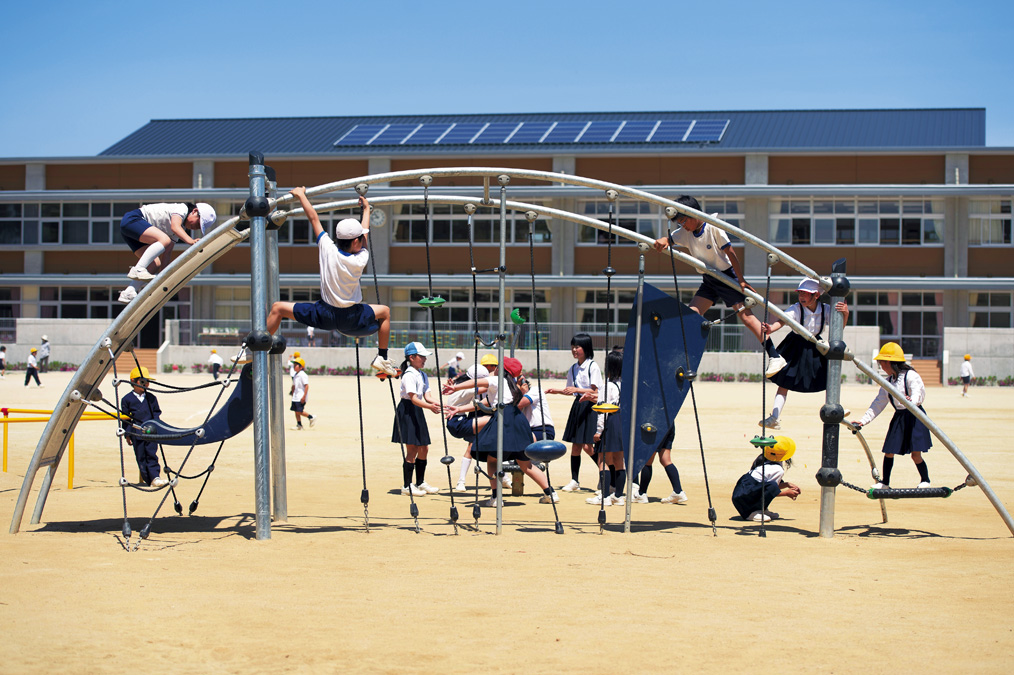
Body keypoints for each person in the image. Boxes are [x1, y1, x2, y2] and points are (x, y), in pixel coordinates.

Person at [266, 187, 395, 376]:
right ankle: (382, 357)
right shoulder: (360, 259)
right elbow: (365, 235)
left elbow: (314, 219)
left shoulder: (327, 248)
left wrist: (301, 195)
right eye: (360, 239)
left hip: (324, 314)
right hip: (352, 316)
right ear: (355, 242)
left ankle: (256, 348)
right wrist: (366, 210)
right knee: (384, 312)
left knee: (278, 308)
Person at [653, 195, 785, 378]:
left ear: (694, 214)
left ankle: (775, 356)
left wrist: (741, 280)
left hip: (726, 276)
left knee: (747, 319)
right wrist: (662, 240)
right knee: (691, 314)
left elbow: (730, 252)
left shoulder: (712, 226)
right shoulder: (685, 232)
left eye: (684, 221)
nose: (683, 226)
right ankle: (680, 356)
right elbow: (669, 239)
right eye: (680, 223)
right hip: (709, 279)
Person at [445, 357, 559, 507]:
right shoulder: (513, 386)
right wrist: (460, 409)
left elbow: (476, 383)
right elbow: (485, 403)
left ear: (502, 370)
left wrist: (455, 388)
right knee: (525, 463)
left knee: (492, 459)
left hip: (504, 419)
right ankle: (550, 492)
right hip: (519, 422)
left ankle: (496, 497)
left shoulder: (496, 381)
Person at [759, 278, 850, 429]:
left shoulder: (826, 309)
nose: (801, 296)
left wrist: (845, 314)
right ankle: (775, 417)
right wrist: (770, 329)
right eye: (800, 292)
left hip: (816, 345)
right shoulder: (795, 309)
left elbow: (839, 327)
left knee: (829, 377)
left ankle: (836, 407)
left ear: (816, 296)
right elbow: (782, 321)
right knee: (784, 381)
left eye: (806, 293)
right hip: (795, 344)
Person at [851, 342, 932, 489]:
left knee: (916, 454)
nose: (881, 366)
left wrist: (912, 402)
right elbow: (878, 403)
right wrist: (863, 421)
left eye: (881, 363)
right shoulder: (888, 382)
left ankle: (925, 480)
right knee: (889, 450)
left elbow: (918, 393)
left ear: (888, 362)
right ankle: (885, 483)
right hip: (900, 417)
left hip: (915, 416)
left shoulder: (911, 375)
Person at [117, 201, 216, 304]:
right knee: (164, 239)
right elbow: (175, 227)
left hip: (132, 231)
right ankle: (138, 269)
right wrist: (190, 241)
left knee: (154, 264)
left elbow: (167, 253)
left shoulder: (179, 230)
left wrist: (162, 278)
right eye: (198, 223)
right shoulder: (182, 209)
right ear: (195, 211)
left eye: (200, 227)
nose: (196, 228)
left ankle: (128, 292)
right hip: (133, 220)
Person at [546, 333, 602, 492]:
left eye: (577, 347)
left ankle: (605, 474)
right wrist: (556, 391)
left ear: (586, 348)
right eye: (573, 347)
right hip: (578, 405)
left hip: (590, 406)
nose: (574, 350)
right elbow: (571, 390)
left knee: (588, 446)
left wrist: (577, 389)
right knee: (576, 446)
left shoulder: (593, 366)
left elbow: (595, 390)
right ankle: (574, 480)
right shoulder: (574, 368)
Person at [393, 342, 442, 496]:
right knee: (412, 449)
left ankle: (420, 482)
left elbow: (427, 397)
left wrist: (442, 405)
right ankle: (407, 486)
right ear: (411, 357)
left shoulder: (422, 374)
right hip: (408, 410)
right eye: (421, 356)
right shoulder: (408, 374)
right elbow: (413, 398)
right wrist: (430, 407)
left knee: (424, 447)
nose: (424, 359)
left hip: (418, 410)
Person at [586, 349, 627, 506]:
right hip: (623, 422)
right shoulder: (626, 385)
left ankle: (604, 496)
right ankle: (618, 495)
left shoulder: (607, 386)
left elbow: (603, 410)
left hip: (611, 420)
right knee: (619, 460)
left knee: (603, 459)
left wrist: (598, 430)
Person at [731, 435, 801, 522]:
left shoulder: (765, 460)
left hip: (742, 494)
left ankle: (761, 510)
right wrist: (787, 493)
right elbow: (771, 490)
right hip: (744, 500)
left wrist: (787, 484)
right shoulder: (778, 470)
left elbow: (765, 486)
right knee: (773, 486)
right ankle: (751, 513)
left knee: (772, 485)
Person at [119, 366, 168, 488]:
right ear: (133, 382)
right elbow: (126, 419)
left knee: (151, 454)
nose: (146, 384)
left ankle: (155, 477)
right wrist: (128, 434)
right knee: (141, 456)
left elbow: (156, 413)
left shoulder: (151, 398)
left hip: (151, 431)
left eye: (147, 381)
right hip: (136, 432)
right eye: (142, 381)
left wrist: (157, 427)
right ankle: (148, 479)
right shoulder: (127, 399)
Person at [633, 425, 688, 505]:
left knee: (648, 460)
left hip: (655, 425)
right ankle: (678, 491)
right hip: (669, 424)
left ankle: (641, 493)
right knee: (665, 460)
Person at [289, 357, 315, 431]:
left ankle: (311, 417)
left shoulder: (303, 375)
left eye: (296, 365)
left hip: (300, 396)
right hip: (295, 396)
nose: (294, 366)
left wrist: (304, 396)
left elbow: (306, 386)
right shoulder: (295, 375)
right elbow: (293, 385)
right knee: (295, 410)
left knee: (299, 411)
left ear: (301, 367)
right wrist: (292, 392)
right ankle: (299, 424)